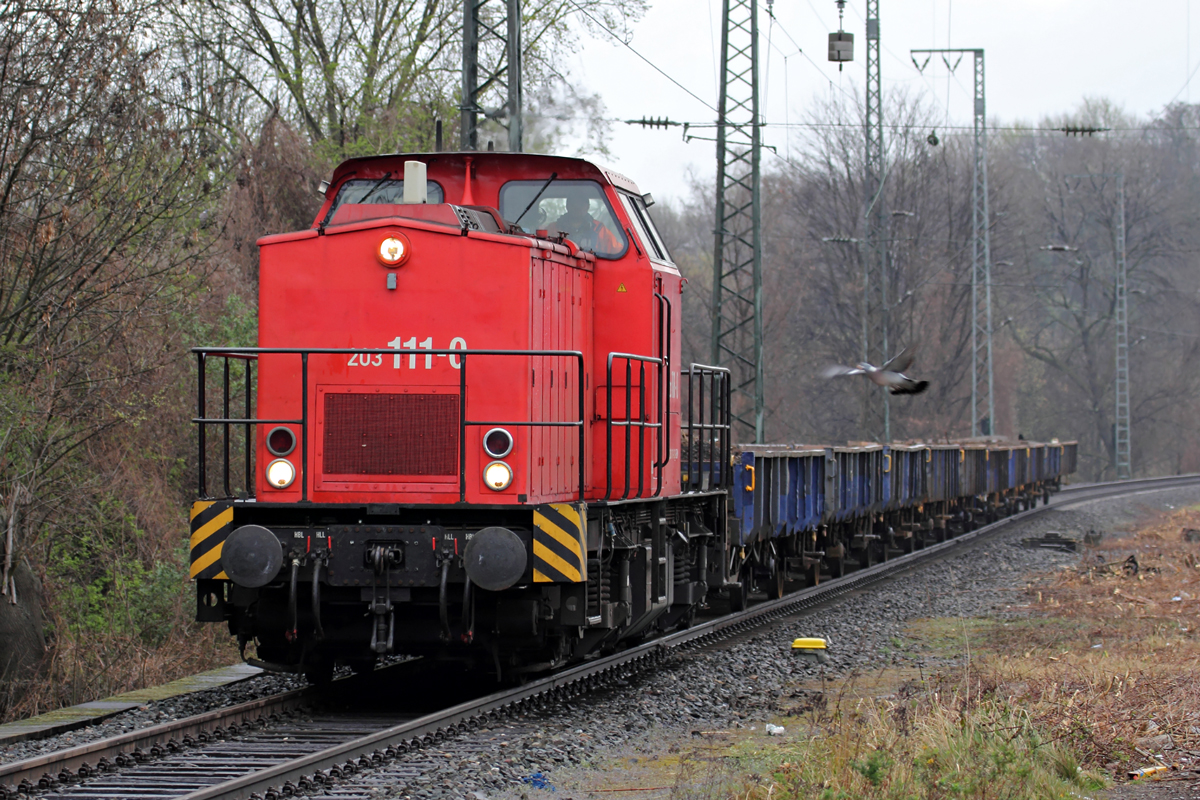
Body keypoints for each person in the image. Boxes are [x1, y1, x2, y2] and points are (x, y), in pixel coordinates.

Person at [549, 189, 621, 255]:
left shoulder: (599, 229)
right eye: (573, 204)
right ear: (567, 206)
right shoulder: (553, 228)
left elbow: (618, 252)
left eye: (581, 204)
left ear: (587, 207)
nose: (577, 207)